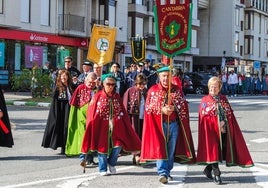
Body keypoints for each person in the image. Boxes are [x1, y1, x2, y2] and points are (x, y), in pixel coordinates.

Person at [140, 66, 196, 184]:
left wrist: (175, 107)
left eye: (167, 76)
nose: (165, 78)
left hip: (174, 124)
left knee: (170, 150)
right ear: (159, 77)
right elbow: (148, 108)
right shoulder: (153, 90)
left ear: (171, 77)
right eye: (163, 76)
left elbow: (183, 106)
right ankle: (162, 172)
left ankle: (167, 171)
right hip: (159, 125)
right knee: (161, 148)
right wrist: (162, 109)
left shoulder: (177, 90)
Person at [196, 76, 254, 185]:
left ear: (220, 88)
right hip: (211, 132)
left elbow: (229, 113)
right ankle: (217, 175)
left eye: (216, 87)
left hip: (224, 130)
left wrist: (224, 123)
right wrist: (216, 123)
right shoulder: (205, 100)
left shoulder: (223, 99)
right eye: (211, 87)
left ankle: (208, 169)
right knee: (214, 151)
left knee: (221, 151)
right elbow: (204, 116)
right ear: (209, 87)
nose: (213, 89)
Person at [81, 74, 141, 176]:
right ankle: (102, 168)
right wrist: (91, 127)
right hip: (101, 127)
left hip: (116, 127)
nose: (111, 86)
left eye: (113, 84)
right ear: (103, 84)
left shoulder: (117, 97)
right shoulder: (97, 96)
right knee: (102, 147)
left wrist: (125, 125)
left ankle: (112, 163)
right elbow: (91, 114)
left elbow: (123, 112)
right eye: (108, 84)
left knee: (118, 146)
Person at [65, 72, 98, 167]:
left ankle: (90, 158)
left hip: (94, 118)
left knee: (92, 137)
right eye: (89, 82)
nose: (91, 84)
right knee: (83, 137)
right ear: (85, 80)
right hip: (82, 117)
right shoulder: (80, 88)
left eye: (93, 83)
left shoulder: (97, 89)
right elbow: (74, 104)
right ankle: (83, 158)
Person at [41, 70, 75, 154]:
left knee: (69, 128)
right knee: (63, 128)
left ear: (68, 77)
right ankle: (63, 147)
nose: (64, 77)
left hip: (70, 109)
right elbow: (55, 101)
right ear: (60, 77)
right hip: (61, 111)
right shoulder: (58, 87)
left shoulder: (71, 86)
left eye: (65, 76)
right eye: (62, 76)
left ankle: (69, 146)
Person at [123, 73, 147, 165]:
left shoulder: (146, 91)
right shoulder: (130, 91)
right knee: (135, 136)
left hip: (144, 118)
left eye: (143, 84)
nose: (142, 86)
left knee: (142, 136)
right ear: (136, 83)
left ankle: (140, 155)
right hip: (134, 118)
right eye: (140, 84)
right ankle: (136, 155)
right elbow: (125, 105)